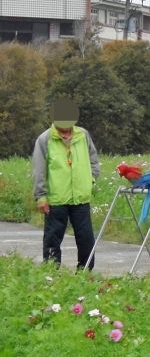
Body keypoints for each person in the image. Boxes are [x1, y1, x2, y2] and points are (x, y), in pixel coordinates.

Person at [32, 98, 101, 270]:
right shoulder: (44, 139)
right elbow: (39, 170)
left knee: (86, 239)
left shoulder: (83, 135)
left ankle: (85, 274)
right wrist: (41, 196)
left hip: (81, 198)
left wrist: (90, 180)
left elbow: (94, 161)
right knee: (52, 239)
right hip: (56, 200)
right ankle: (52, 275)